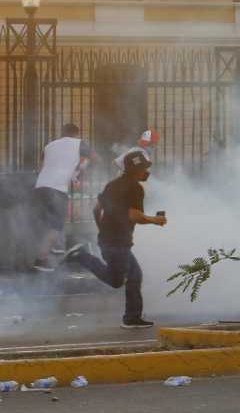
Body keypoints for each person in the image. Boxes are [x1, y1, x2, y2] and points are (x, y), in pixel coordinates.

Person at [64, 151, 163, 329]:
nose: (146, 172)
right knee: (127, 278)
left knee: (127, 278)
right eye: (143, 168)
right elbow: (134, 215)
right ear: (134, 170)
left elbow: (96, 209)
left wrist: (103, 230)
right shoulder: (135, 188)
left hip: (109, 239)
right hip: (118, 242)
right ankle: (82, 256)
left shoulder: (113, 184)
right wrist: (155, 220)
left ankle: (132, 317)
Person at [31, 123, 91, 272]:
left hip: (40, 187)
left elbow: (42, 167)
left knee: (48, 224)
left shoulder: (49, 146)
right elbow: (95, 157)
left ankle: (54, 249)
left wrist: (72, 171)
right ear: (76, 134)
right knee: (56, 226)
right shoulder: (78, 143)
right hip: (57, 190)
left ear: (62, 133)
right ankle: (40, 260)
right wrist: (82, 168)